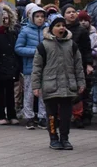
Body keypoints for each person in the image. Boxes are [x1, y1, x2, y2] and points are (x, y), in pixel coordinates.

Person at [31, 15, 85, 150]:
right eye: (58, 25)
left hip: (67, 86)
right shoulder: (43, 45)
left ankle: (65, 138)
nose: (61, 28)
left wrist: (81, 82)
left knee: (66, 115)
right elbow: (37, 68)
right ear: (51, 28)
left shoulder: (72, 45)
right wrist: (36, 86)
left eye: (63, 25)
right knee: (52, 115)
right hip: (51, 86)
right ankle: (53, 138)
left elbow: (78, 65)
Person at [15, 4, 47, 129]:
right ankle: (29, 117)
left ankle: (42, 116)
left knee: (43, 92)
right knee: (29, 92)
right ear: (31, 18)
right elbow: (18, 48)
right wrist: (35, 51)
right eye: (37, 16)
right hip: (30, 67)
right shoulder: (25, 31)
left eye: (42, 16)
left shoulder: (47, 30)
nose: (40, 19)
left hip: (45, 67)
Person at [0, 3, 20, 125]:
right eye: (3, 19)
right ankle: (1, 115)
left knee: (10, 91)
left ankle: (12, 114)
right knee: (0, 92)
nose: (5, 21)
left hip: (11, 65)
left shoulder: (12, 33)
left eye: (7, 18)